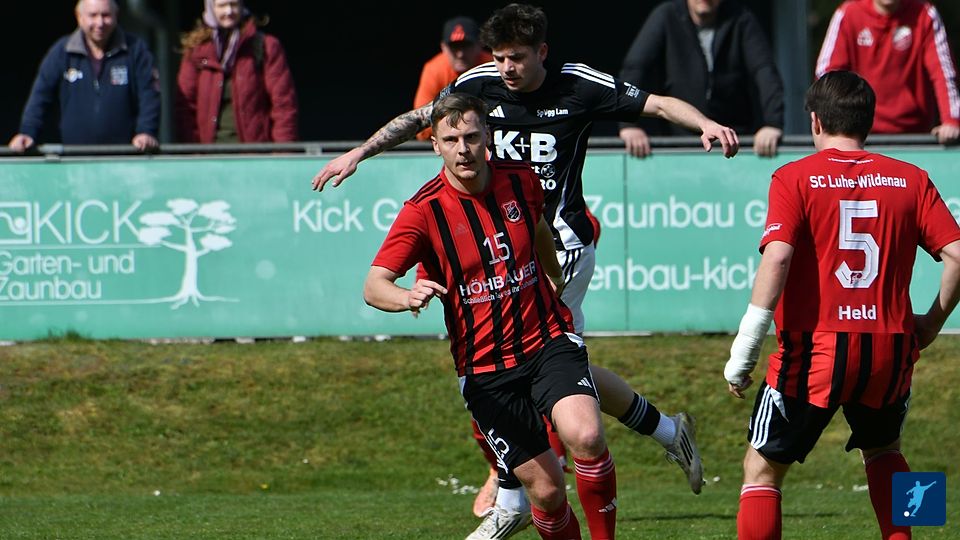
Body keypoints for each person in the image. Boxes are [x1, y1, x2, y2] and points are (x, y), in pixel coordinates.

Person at [314, 5, 738, 537]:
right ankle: (660, 433)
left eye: (516, 57)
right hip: (505, 250)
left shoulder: (577, 86)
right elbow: (423, 118)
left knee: (557, 376)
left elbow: (655, 103)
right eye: (498, 58)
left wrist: (705, 123)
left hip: (559, 249)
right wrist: (361, 151)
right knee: (556, 372)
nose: (506, 68)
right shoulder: (475, 89)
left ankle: (514, 494)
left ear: (542, 52)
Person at [366, 92, 617, 539]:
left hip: (546, 340)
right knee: (547, 492)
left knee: (586, 436)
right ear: (435, 146)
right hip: (485, 368)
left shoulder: (521, 179)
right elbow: (374, 285)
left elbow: (539, 230)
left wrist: (553, 276)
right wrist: (406, 296)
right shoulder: (423, 211)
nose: (463, 149)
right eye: (451, 140)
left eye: (471, 137)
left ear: (488, 137)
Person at [724, 70, 960, 540]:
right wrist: (932, 323)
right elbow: (957, 255)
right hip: (890, 347)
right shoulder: (912, 178)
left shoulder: (793, 176)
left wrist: (744, 350)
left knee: (761, 469)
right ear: (868, 122)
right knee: (888, 451)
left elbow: (778, 258)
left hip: (816, 350)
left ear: (815, 121)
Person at [618, 0, 784, 157]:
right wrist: (628, 125)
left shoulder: (741, 19)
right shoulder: (666, 16)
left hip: (733, 141)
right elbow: (635, 68)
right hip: (678, 143)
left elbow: (765, 71)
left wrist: (772, 124)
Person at [8, 0, 160, 152]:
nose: (100, 23)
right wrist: (28, 133)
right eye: (93, 15)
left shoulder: (136, 50)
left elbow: (149, 95)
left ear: (116, 15)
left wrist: (146, 131)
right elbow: (40, 96)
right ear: (79, 17)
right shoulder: (62, 52)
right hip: (74, 157)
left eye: (106, 15)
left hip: (124, 155)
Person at [815, 0, 960, 143]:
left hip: (915, 137)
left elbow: (943, 72)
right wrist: (831, 128)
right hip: (860, 136)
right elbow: (827, 75)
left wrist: (951, 120)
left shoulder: (925, 14)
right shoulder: (848, 14)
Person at [175, 0, 298, 143]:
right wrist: (194, 151)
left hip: (255, 153)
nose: (228, 11)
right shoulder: (196, 52)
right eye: (222, 6)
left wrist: (282, 152)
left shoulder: (265, 46)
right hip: (209, 153)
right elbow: (185, 107)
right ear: (211, 8)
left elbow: (283, 104)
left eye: (233, 5)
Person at [413, 16, 492, 141]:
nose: (460, 54)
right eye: (454, 47)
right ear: (443, 47)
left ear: (479, 44)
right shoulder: (435, 69)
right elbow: (422, 127)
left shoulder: (493, 65)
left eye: (466, 46)